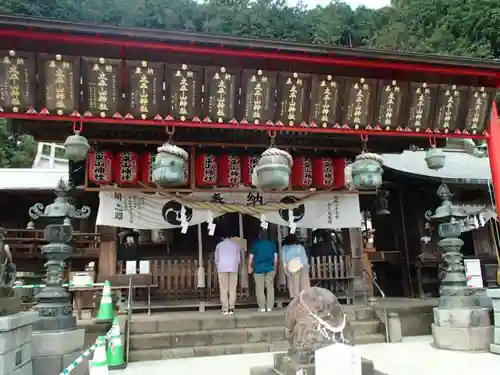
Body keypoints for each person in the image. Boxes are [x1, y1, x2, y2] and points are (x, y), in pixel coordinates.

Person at [248, 230, 277, 312]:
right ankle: (270, 307)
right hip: (270, 268)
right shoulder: (272, 244)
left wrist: (250, 267)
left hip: (258, 269)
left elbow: (251, 258)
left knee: (260, 288)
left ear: (259, 236)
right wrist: (274, 268)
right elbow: (275, 258)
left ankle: (262, 307)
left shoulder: (256, 244)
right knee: (270, 288)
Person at [215, 235, 241, 315]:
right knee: (232, 288)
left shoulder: (219, 245)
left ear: (223, 237)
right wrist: (236, 266)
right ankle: (231, 308)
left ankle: (225, 308)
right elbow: (238, 259)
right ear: (231, 237)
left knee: (223, 288)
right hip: (233, 268)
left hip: (222, 268)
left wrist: (218, 266)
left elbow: (216, 259)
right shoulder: (235, 245)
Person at [281, 233, 310, 299]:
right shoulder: (300, 247)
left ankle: (294, 297)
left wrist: (285, 269)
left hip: (292, 267)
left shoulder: (284, 248)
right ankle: (305, 297)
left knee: (293, 283)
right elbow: (305, 258)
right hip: (303, 265)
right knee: (304, 283)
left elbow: (283, 260)